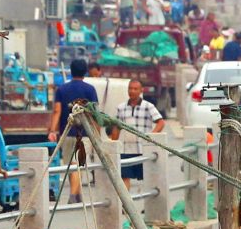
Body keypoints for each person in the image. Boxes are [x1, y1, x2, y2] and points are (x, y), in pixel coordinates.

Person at [49, 57, 100, 198]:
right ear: (85, 72)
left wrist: (52, 130)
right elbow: (95, 113)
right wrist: (97, 133)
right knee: (79, 162)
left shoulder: (62, 89)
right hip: (85, 132)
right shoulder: (90, 90)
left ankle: (76, 193)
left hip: (67, 132)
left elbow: (57, 111)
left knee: (72, 163)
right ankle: (74, 194)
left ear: (70, 71)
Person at [110, 78, 165, 180]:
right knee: (124, 177)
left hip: (143, 148)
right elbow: (116, 128)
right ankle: (126, 196)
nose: (132, 91)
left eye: (135, 89)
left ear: (141, 90)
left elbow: (161, 123)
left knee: (147, 178)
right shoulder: (121, 108)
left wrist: (150, 136)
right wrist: (113, 146)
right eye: (130, 88)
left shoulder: (148, 106)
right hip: (126, 149)